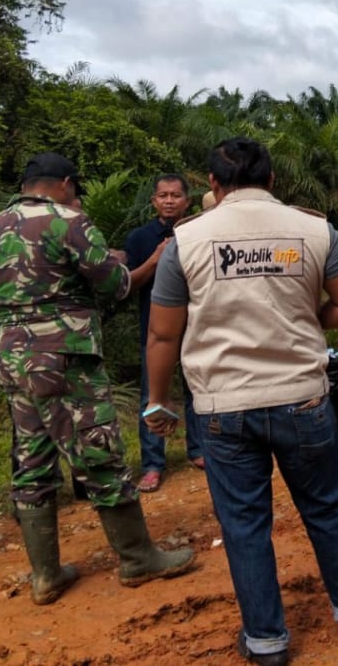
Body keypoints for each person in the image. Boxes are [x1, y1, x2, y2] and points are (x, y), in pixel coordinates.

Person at [144, 137, 338, 665]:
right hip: (302, 398)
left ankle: (267, 641)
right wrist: (307, 321)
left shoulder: (186, 242)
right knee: (327, 506)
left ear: (212, 185)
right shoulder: (314, 230)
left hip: (221, 407)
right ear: (272, 180)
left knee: (244, 525)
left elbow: (163, 336)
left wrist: (158, 402)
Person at [0, 153, 194, 606]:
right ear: (66, 184)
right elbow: (116, 285)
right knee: (98, 449)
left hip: (12, 354)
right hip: (64, 354)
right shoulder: (70, 221)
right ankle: (137, 558)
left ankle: (46, 574)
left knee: (31, 455)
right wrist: (130, 261)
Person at [125, 174, 203, 492]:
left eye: (175, 195)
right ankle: (153, 464)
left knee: (196, 390)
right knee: (151, 395)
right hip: (154, 330)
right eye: (163, 195)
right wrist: (156, 259)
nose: (169, 200)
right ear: (154, 201)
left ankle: (198, 451)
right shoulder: (139, 238)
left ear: (187, 201)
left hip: (196, 327)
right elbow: (130, 284)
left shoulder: (198, 233)